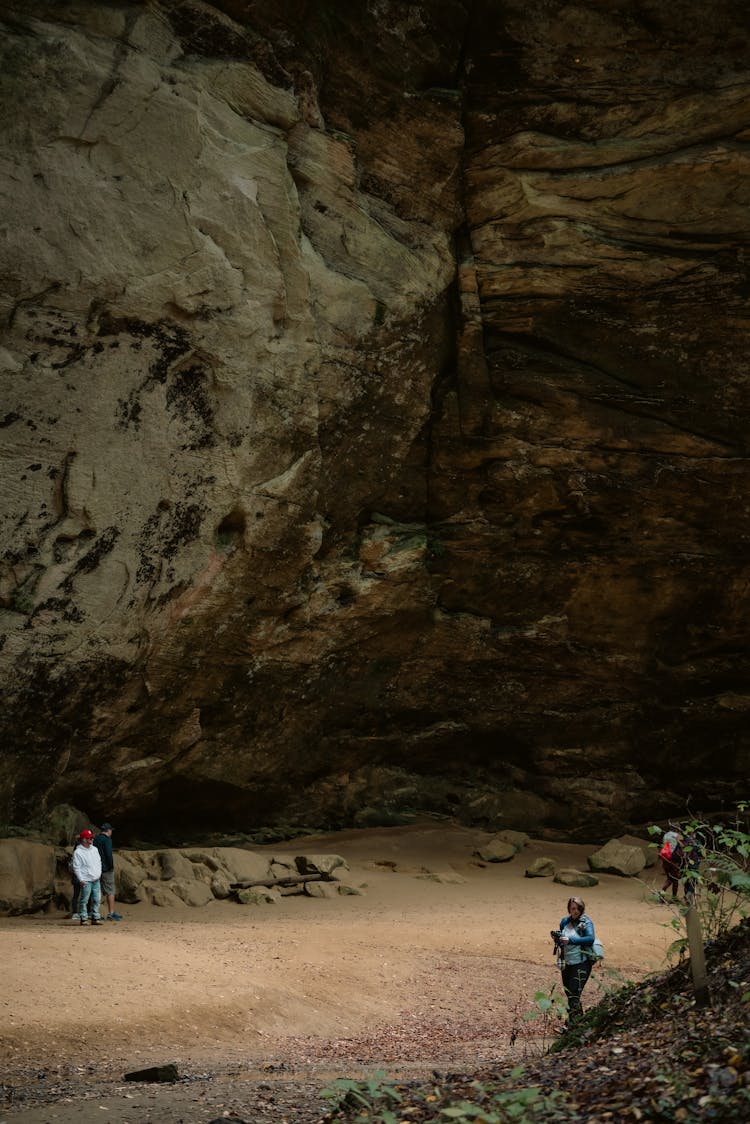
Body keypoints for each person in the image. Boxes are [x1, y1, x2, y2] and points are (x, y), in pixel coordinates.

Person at [553, 895, 596, 1025]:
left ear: (582, 909)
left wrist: (571, 940)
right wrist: (558, 939)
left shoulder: (586, 922)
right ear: (569, 909)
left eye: (578, 908)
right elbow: (562, 940)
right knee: (569, 993)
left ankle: (572, 1025)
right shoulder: (564, 922)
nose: (575, 911)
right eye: (573, 908)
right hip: (567, 963)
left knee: (574, 994)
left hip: (582, 963)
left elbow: (590, 938)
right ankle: (579, 1023)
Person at [71, 829, 102, 926]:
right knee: (84, 899)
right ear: (84, 839)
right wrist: (81, 879)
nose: (92, 839)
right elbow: (76, 867)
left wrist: (99, 873)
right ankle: (83, 918)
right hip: (86, 880)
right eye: (90, 838)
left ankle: (95, 917)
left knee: (97, 899)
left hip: (96, 879)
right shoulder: (78, 852)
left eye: (92, 838)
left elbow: (99, 862)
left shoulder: (95, 849)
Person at [93, 822, 123, 921]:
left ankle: (95, 912)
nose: (111, 832)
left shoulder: (96, 839)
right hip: (106, 868)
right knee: (110, 891)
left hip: (96, 868)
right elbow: (108, 854)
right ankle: (111, 913)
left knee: (97, 890)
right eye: (111, 830)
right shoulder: (107, 840)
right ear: (108, 830)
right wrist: (111, 866)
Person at [660, 829, 683, 900]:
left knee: (670, 877)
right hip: (673, 859)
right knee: (674, 879)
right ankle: (671, 897)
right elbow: (682, 845)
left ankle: (665, 895)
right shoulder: (676, 835)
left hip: (665, 859)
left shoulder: (666, 835)